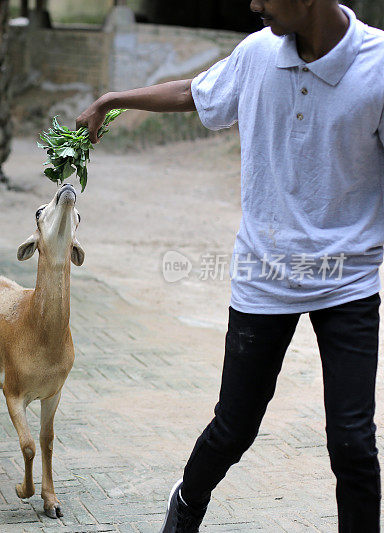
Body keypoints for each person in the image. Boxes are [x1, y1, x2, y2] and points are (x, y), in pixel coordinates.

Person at [76, 1, 384, 531]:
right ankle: (188, 501)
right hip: (264, 279)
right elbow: (195, 93)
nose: (254, 4)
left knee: (353, 444)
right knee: (234, 427)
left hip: (347, 279)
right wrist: (114, 100)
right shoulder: (257, 53)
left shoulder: (378, 65)